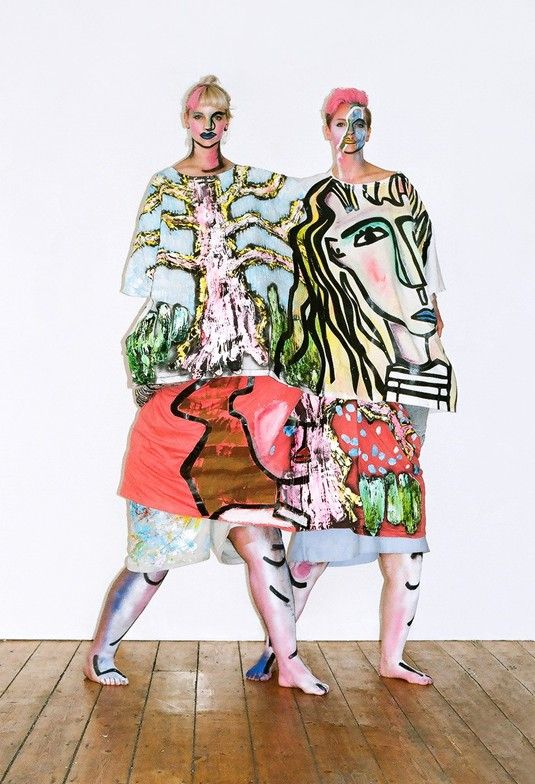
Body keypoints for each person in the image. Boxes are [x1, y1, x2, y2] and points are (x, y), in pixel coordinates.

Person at [83, 76, 329, 695]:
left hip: (243, 392)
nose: (209, 125)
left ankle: (289, 660)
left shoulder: (251, 185)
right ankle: (101, 650)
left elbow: (311, 198)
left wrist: (346, 157)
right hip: (182, 399)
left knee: (262, 538)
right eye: (200, 115)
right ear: (186, 119)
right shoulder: (164, 186)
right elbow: (145, 279)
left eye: (219, 115)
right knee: (154, 559)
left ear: (229, 120)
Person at [247, 87, 457, 685]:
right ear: (325, 127)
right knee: (323, 524)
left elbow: (425, 283)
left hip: (401, 375)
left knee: (401, 519)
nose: (351, 132)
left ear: (371, 126)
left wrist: (428, 340)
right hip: (337, 379)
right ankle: (280, 646)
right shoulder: (311, 201)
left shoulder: (400, 189)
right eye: (341, 122)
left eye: (359, 122)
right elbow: (291, 289)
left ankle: (392, 657)